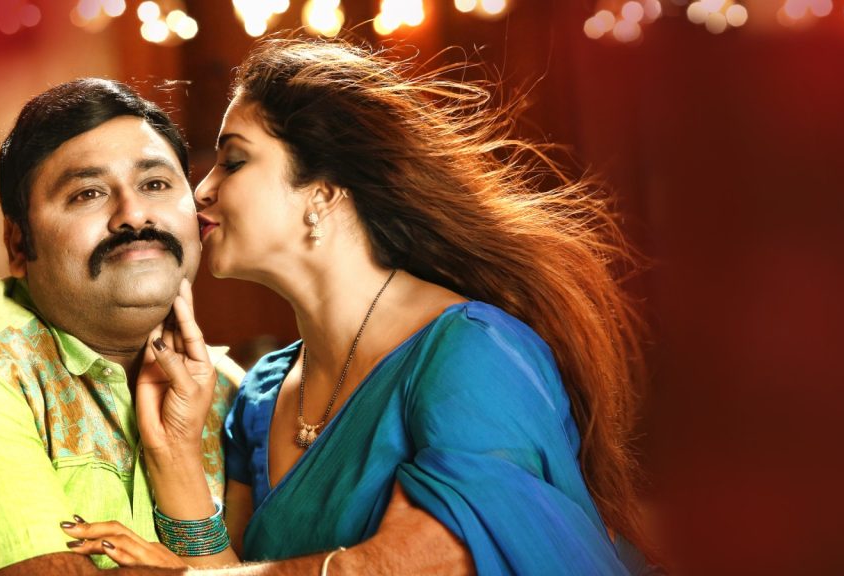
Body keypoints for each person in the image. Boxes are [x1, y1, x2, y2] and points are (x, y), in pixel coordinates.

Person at [64, 38, 658, 575]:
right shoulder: (264, 395)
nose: (203, 189)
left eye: (235, 161)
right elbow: (232, 570)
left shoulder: (469, 352)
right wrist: (173, 453)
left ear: (323, 191)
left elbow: (435, 561)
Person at [0, 78, 242, 575]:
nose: (134, 214)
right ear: (19, 244)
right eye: (87, 194)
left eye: (155, 185)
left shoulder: (229, 391)